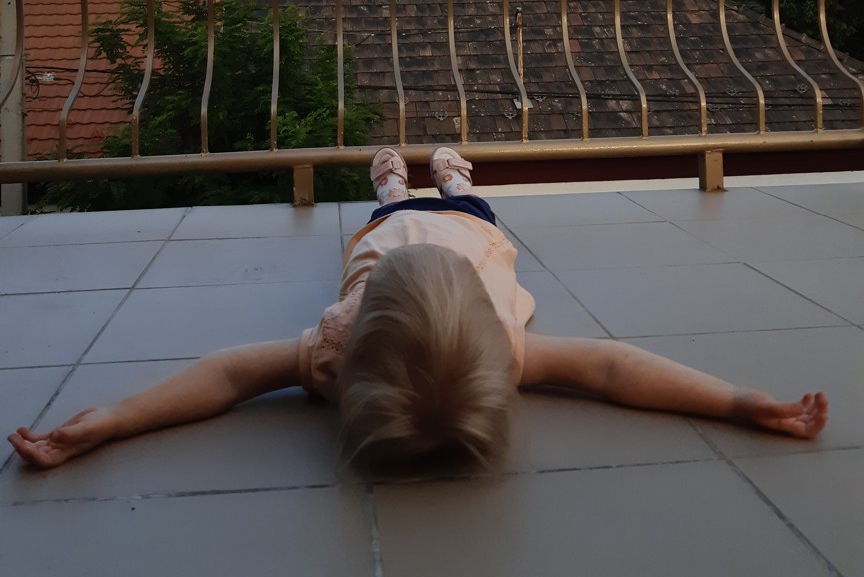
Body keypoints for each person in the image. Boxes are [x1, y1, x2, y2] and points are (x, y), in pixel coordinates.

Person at [8, 147, 828, 473]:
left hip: (383, 242)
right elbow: (615, 369)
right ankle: (454, 178)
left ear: (351, 337)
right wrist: (735, 400)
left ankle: (397, 187)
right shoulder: (501, 349)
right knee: (470, 210)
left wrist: (114, 418)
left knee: (389, 219)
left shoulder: (333, 359)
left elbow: (224, 378)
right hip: (472, 238)